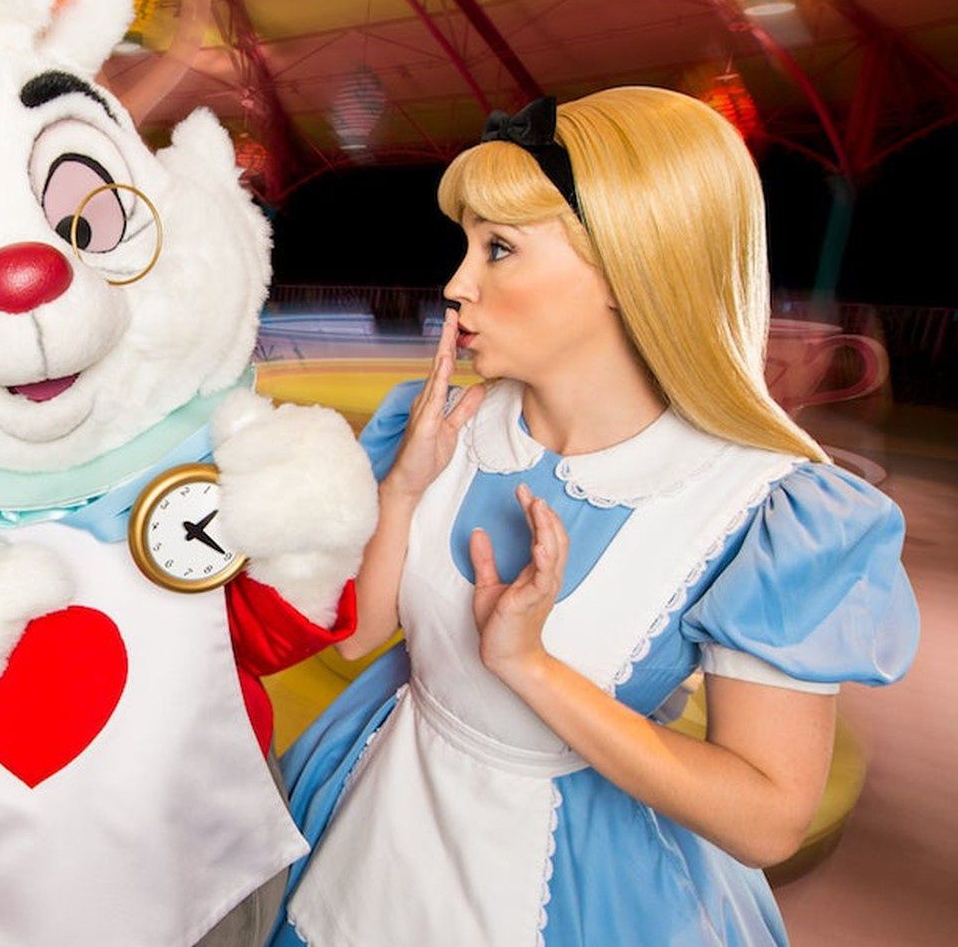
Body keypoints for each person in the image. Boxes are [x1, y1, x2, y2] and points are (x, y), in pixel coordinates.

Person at [272, 87, 919, 946]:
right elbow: (359, 637)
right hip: (379, 807)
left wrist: (529, 667)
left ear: (630, 265)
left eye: (498, 248)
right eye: (466, 245)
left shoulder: (765, 506)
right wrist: (401, 490)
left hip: (584, 884)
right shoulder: (444, 422)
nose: (457, 284)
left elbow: (766, 818)